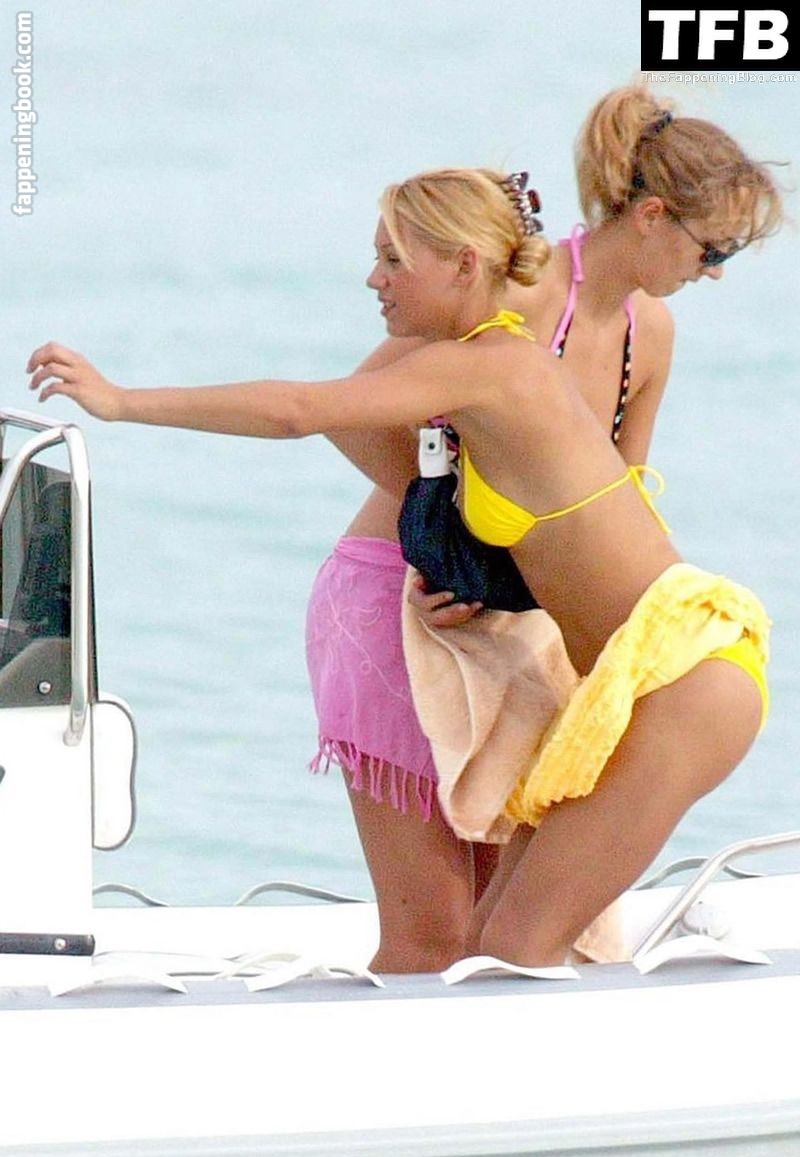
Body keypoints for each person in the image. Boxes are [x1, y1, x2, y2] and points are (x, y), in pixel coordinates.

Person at [27, 154, 781, 967]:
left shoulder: (490, 368)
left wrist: (122, 402)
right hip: (638, 680)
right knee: (488, 946)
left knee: (514, 946)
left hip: (682, 680)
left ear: (464, 266)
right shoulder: (492, 367)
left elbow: (301, 409)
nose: (374, 279)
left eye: (394, 259)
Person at [304, 85, 778, 972]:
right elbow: (351, 411)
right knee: (433, 931)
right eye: (712, 248)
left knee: (493, 927)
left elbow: (619, 497)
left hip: (511, 620)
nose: (714, 270)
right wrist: (453, 540)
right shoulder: (520, 293)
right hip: (403, 592)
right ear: (652, 216)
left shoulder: (650, 333)